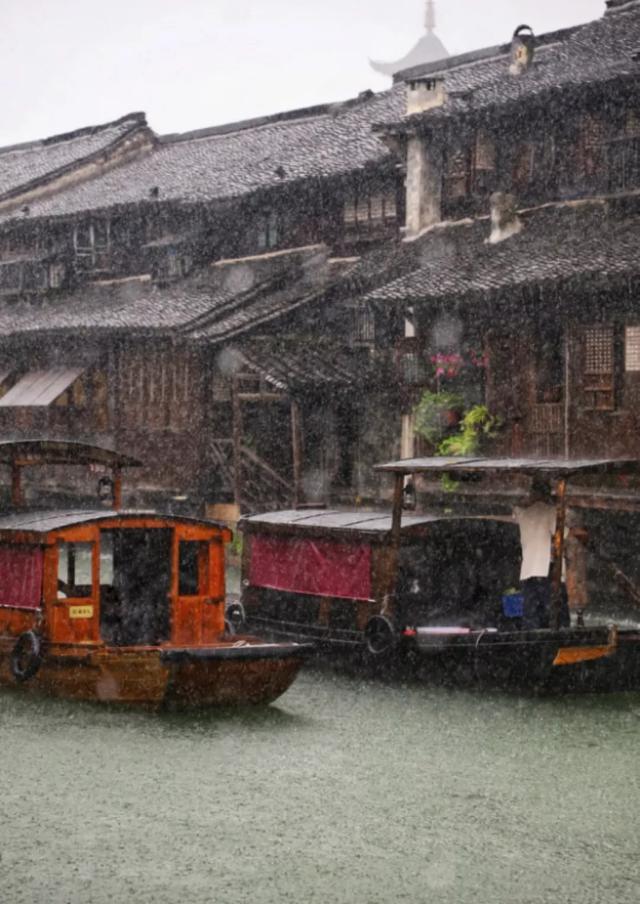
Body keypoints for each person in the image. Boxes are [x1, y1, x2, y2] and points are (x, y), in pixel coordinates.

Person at [513, 479, 556, 629]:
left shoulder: (523, 513)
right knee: (546, 608)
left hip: (527, 569)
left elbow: (516, 509)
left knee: (529, 610)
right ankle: (546, 635)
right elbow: (561, 533)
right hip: (544, 568)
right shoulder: (550, 511)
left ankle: (529, 637)